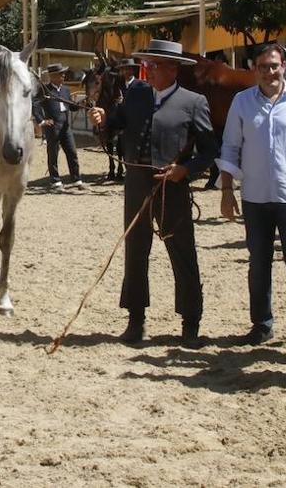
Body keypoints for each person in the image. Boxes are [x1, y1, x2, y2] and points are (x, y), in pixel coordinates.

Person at [90, 39, 217, 346]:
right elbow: (115, 123)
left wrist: (186, 170)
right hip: (136, 183)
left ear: (172, 69)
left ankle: (190, 323)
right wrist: (103, 119)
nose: (149, 70)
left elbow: (210, 150)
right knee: (135, 251)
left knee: (182, 252)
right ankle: (136, 320)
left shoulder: (193, 102)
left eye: (155, 65)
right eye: (148, 64)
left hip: (170, 186)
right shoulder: (136, 95)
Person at [217, 42, 286, 353]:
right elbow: (230, 148)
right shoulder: (242, 102)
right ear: (255, 69)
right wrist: (227, 191)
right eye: (263, 67)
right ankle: (261, 325)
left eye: (274, 66)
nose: (270, 72)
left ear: (285, 66)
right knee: (258, 263)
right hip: (255, 197)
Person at [33, 64, 82, 190]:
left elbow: (72, 106)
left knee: (72, 152)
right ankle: (55, 180)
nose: (63, 76)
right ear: (52, 76)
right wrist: (42, 121)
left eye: (63, 73)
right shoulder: (45, 89)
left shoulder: (65, 90)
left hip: (66, 127)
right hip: (53, 127)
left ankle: (76, 179)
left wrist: (82, 103)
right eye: (61, 74)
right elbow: (35, 105)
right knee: (53, 154)